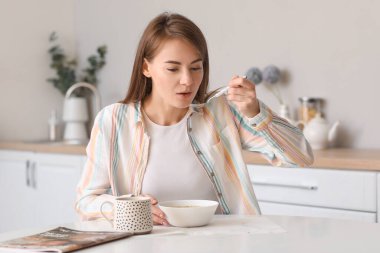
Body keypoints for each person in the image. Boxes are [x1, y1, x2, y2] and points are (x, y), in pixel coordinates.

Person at [75, 12, 313, 226]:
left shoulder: (222, 112)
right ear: (146, 68)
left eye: (196, 68)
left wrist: (255, 112)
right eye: (173, 69)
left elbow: (301, 157)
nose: (187, 80)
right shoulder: (113, 120)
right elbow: (86, 202)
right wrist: (125, 208)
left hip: (223, 245)